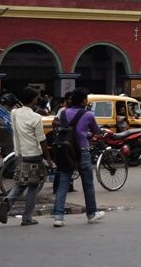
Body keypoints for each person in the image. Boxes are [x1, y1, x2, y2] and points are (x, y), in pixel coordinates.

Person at [0, 86, 54, 226]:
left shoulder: (15, 113)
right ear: (34, 100)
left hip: (20, 154)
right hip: (34, 154)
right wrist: (48, 158)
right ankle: (27, 217)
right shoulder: (36, 117)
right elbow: (42, 139)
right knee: (33, 187)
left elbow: (17, 109)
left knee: (20, 183)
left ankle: (7, 201)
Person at [52, 88, 105, 227]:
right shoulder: (88, 114)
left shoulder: (63, 113)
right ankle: (91, 214)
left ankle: (58, 216)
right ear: (83, 101)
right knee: (88, 184)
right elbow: (96, 131)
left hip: (66, 151)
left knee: (63, 184)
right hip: (82, 151)